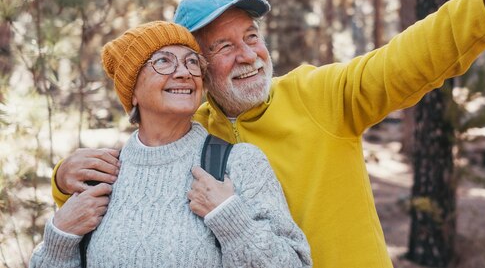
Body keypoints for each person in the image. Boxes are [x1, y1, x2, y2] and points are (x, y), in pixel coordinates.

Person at [51, 0, 485, 267]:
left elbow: (410, 60)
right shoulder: (188, 129)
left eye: (251, 36)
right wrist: (63, 180)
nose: (249, 54)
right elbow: (129, 205)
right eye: (224, 47)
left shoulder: (320, 94)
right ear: (199, 68)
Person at [32, 21, 311, 268]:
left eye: (192, 62)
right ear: (132, 91)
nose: (184, 73)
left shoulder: (238, 163)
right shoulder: (102, 175)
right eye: (164, 62)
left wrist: (231, 220)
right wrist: (60, 236)